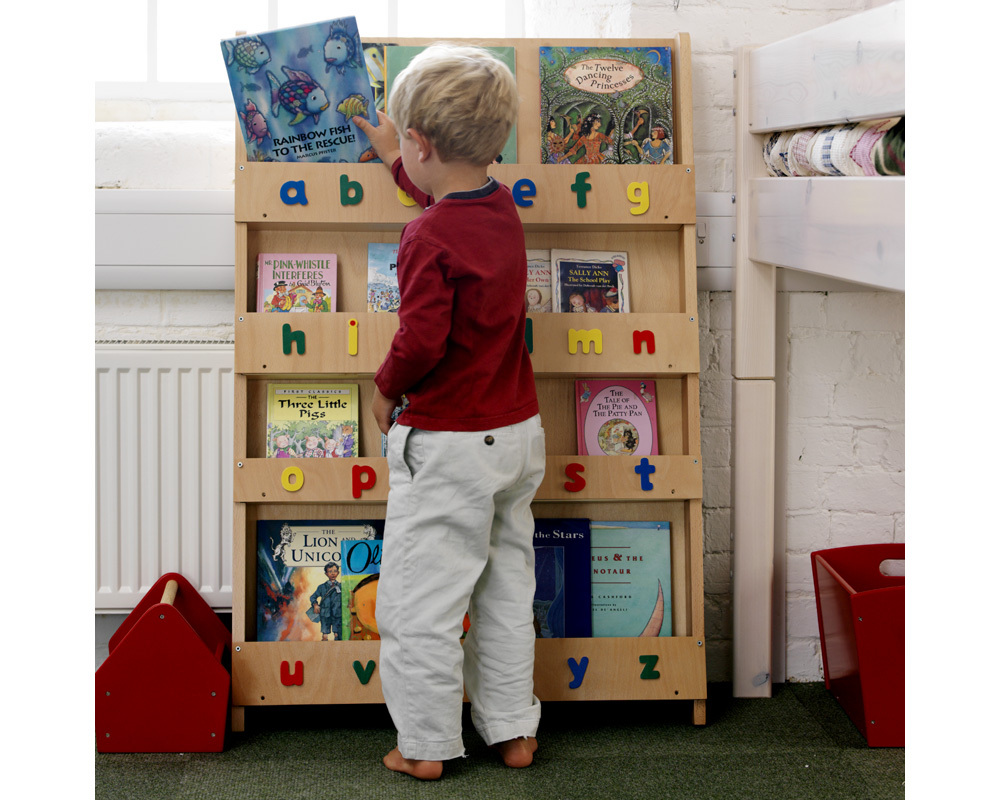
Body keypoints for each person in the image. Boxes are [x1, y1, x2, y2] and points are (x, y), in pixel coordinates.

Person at [352, 44, 545, 781]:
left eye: (405, 144)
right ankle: (512, 731)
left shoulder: (426, 235)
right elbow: (445, 188)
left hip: (451, 444)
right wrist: (393, 158)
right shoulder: (500, 206)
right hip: (519, 436)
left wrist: (384, 386)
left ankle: (426, 744)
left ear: (423, 145)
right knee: (504, 588)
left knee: (420, 603)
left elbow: (422, 337)